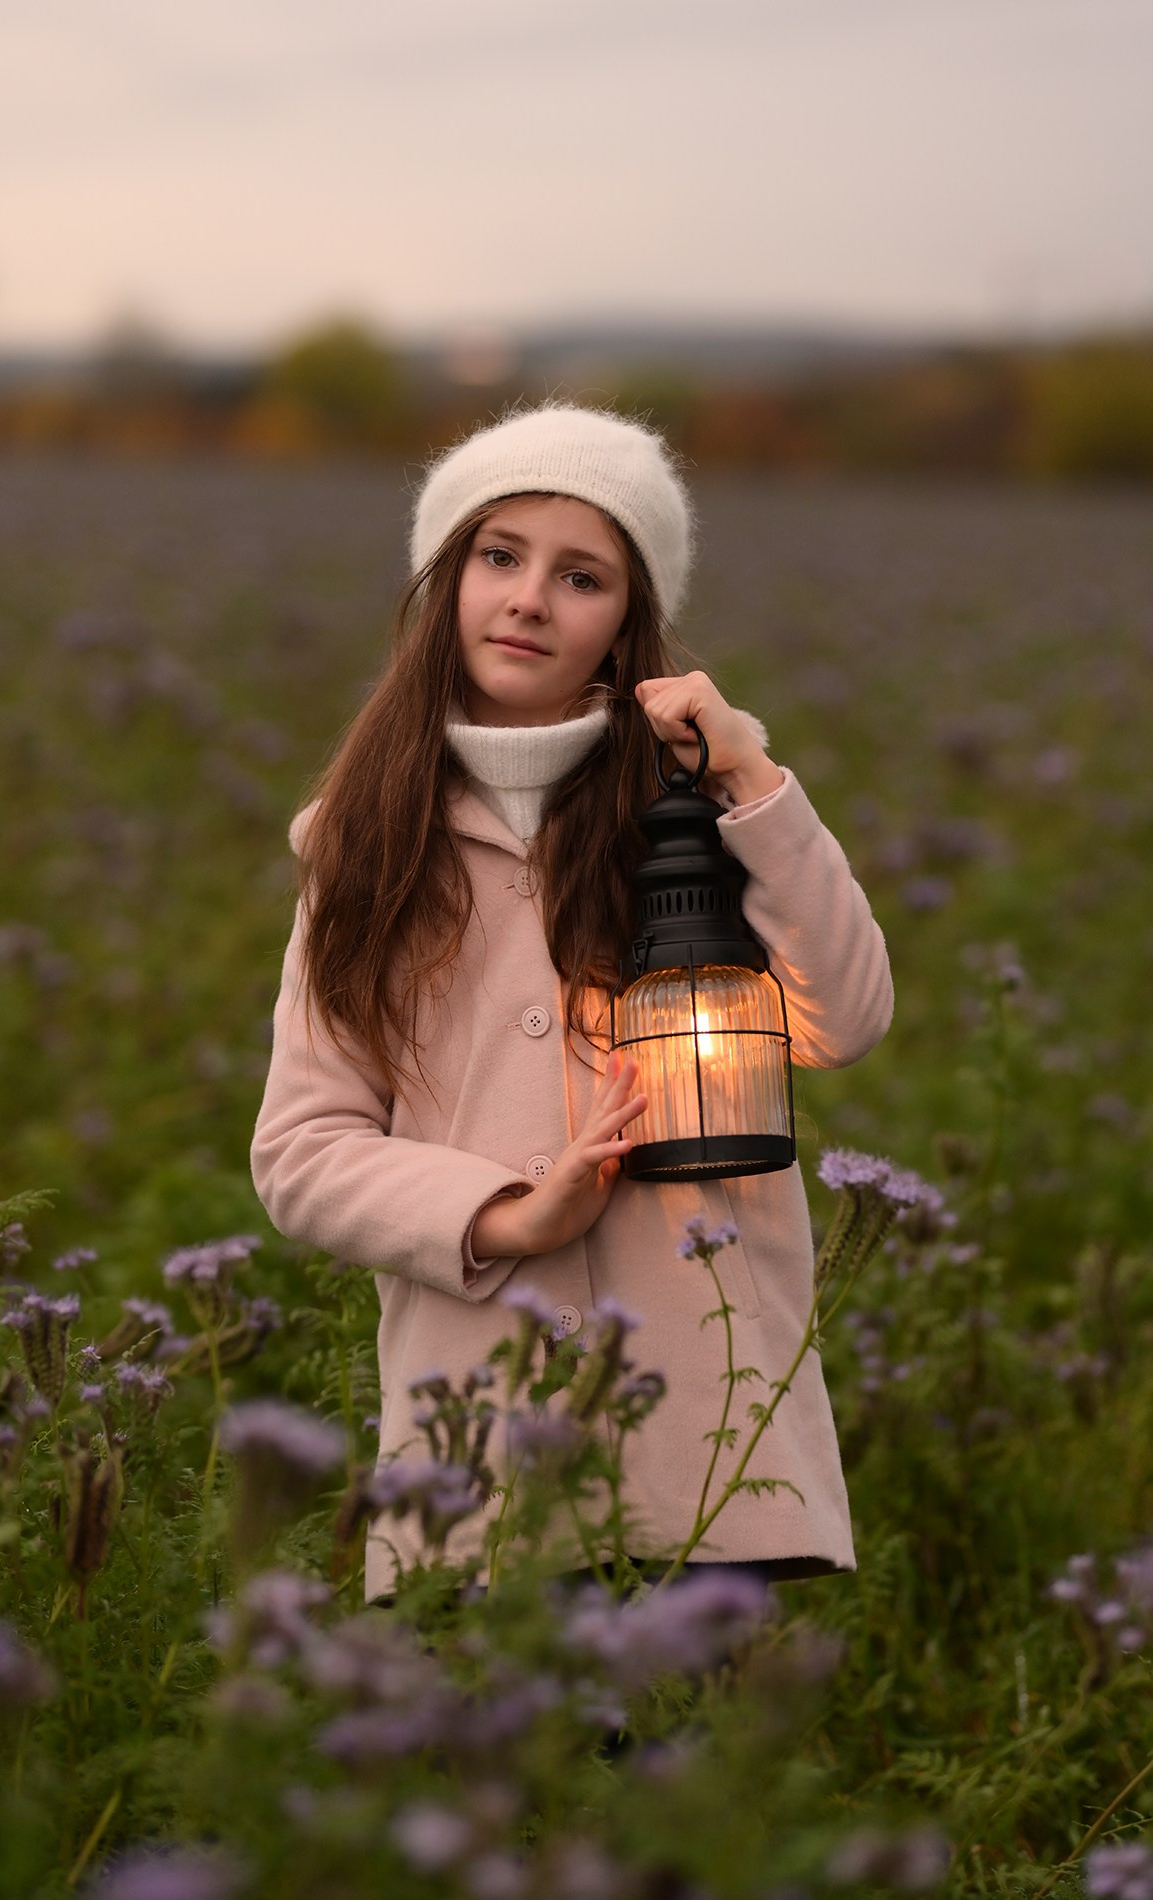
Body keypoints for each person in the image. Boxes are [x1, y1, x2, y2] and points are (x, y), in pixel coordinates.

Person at [251, 403, 893, 1601]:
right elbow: (301, 1150)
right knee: (499, 1786)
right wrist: (503, 1214)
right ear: (445, 581)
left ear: (624, 627)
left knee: (668, 1783)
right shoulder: (363, 849)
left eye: (581, 574)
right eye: (499, 556)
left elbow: (844, 1016)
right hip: (477, 1453)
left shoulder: (701, 815)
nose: (529, 598)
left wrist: (748, 769)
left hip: (702, 1446)